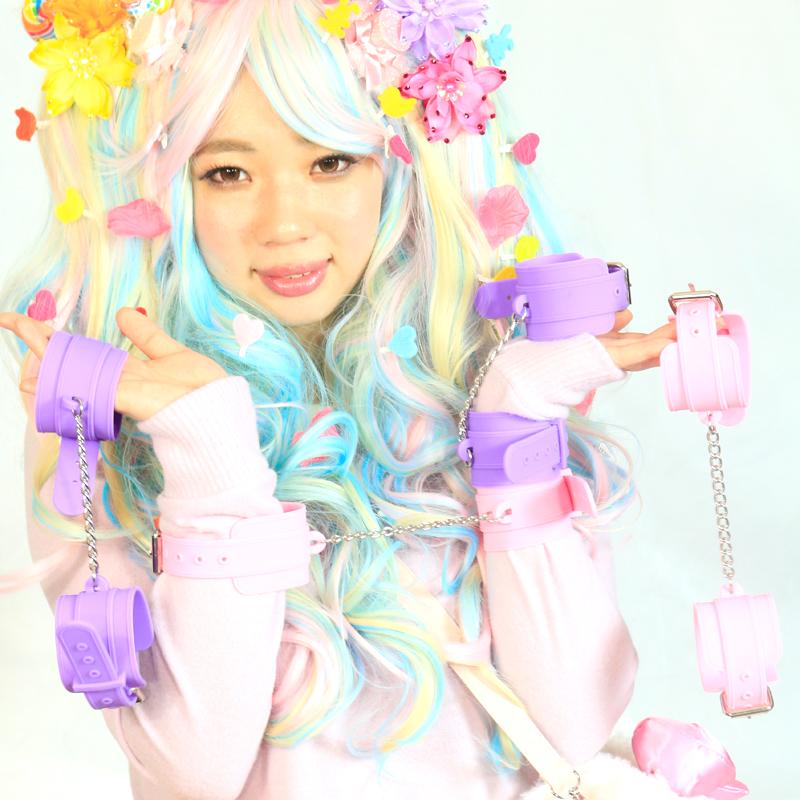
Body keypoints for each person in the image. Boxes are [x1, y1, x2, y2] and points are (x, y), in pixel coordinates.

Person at [0, 1, 702, 797]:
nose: (284, 223)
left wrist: (514, 426)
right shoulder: (109, 422)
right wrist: (209, 457)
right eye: (227, 172)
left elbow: (572, 726)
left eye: (330, 160)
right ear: (170, 189)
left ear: (397, 166)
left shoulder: (476, 374)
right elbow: (192, 775)